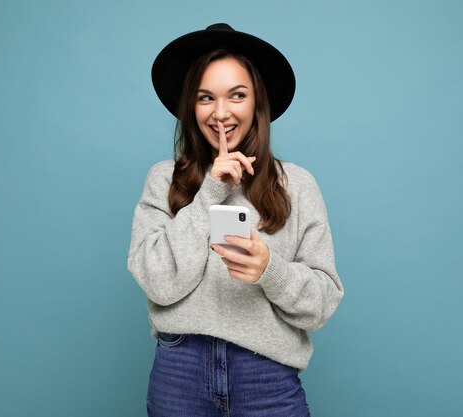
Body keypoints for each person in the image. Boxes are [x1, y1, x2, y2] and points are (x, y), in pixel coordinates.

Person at [128, 23, 344, 417]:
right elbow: (157, 281)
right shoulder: (164, 179)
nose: (221, 113)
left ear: (257, 102)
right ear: (191, 108)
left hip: (267, 375)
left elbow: (322, 304)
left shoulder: (296, 184)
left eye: (237, 96)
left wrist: (269, 270)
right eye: (205, 97)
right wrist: (210, 189)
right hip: (180, 369)